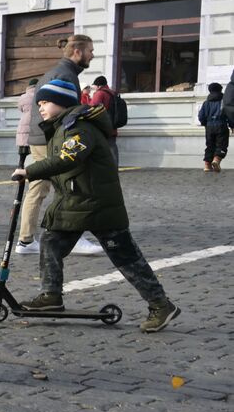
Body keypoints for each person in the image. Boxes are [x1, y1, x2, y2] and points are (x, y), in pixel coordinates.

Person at [13, 78, 179, 332]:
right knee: (51, 242)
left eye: (45, 102)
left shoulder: (80, 128)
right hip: (77, 203)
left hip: (98, 206)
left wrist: (30, 171)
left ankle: (161, 305)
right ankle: (51, 297)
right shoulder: (63, 126)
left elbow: (67, 158)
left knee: (126, 258)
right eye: (40, 103)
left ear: (62, 102)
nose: (41, 108)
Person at [16, 34, 101, 256]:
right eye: (90, 50)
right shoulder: (65, 74)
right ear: (78, 52)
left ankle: (26, 240)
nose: (93, 54)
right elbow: (63, 114)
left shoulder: (59, 72)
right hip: (49, 138)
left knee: (40, 187)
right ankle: (72, 236)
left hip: (40, 137)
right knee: (70, 184)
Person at [87, 75, 122, 165]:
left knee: (97, 147)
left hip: (102, 125)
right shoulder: (113, 93)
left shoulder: (99, 93)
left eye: (94, 85)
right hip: (113, 124)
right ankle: (114, 167)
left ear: (99, 85)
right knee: (112, 146)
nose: (94, 88)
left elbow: (92, 107)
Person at [199, 82, 229, 172]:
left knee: (209, 145)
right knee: (222, 145)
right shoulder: (224, 102)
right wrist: (232, 124)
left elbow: (201, 116)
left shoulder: (206, 103)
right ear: (220, 90)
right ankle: (216, 160)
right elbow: (229, 113)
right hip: (221, 125)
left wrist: (206, 124)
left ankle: (207, 165)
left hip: (209, 127)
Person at [14, 77, 38, 166]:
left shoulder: (23, 97)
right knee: (37, 147)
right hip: (36, 121)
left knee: (23, 146)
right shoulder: (39, 95)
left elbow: (20, 108)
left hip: (24, 121)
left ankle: (20, 166)